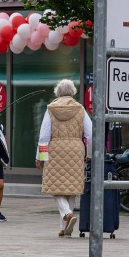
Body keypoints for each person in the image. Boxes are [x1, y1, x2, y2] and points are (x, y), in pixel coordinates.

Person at [37, 78, 93, 237]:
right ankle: (65, 226)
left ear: (57, 92)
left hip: (55, 149)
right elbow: (90, 134)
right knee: (71, 188)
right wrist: (89, 154)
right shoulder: (80, 109)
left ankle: (67, 214)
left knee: (56, 187)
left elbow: (44, 135)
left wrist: (41, 156)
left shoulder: (51, 109)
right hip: (76, 149)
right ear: (73, 92)